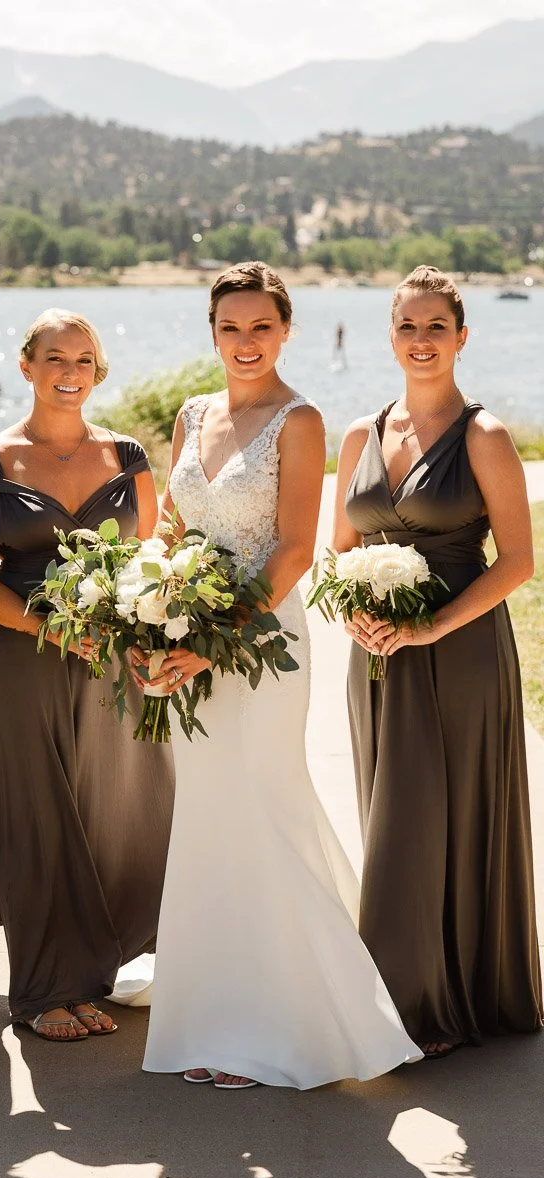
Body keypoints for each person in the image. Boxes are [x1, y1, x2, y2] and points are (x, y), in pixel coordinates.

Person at [141, 262, 420, 1089]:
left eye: (261, 327)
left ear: (286, 330)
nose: (245, 342)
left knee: (260, 806)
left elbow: (295, 550)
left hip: (260, 642)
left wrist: (212, 637)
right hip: (186, 632)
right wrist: (150, 612)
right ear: (213, 332)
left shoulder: (299, 420)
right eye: (230, 327)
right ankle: (212, 1016)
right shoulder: (193, 413)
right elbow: (166, 525)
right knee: (206, 817)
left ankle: (278, 1027)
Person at [332, 264, 542, 1058]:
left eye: (436, 328)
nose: (422, 342)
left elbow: (516, 561)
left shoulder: (483, 436)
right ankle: (414, 994)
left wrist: (432, 628)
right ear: (390, 338)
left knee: (434, 820)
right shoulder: (360, 433)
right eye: (408, 328)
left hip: (458, 656)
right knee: (392, 815)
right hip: (377, 657)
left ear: (461, 337)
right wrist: (354, 609)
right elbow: (339, 548)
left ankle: (421, 1008)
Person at [0, 308, 174, 1042]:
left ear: (97, 369)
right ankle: (45, 988)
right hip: (22, 659)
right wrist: (44, 625)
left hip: (113, 659)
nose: (69, 373)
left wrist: (143, 635)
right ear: (26, 367)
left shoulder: (128, 455)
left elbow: (155, 562)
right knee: (38, 814)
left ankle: (98, 971)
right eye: (54, 358)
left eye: (83, 360)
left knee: (124, 811)